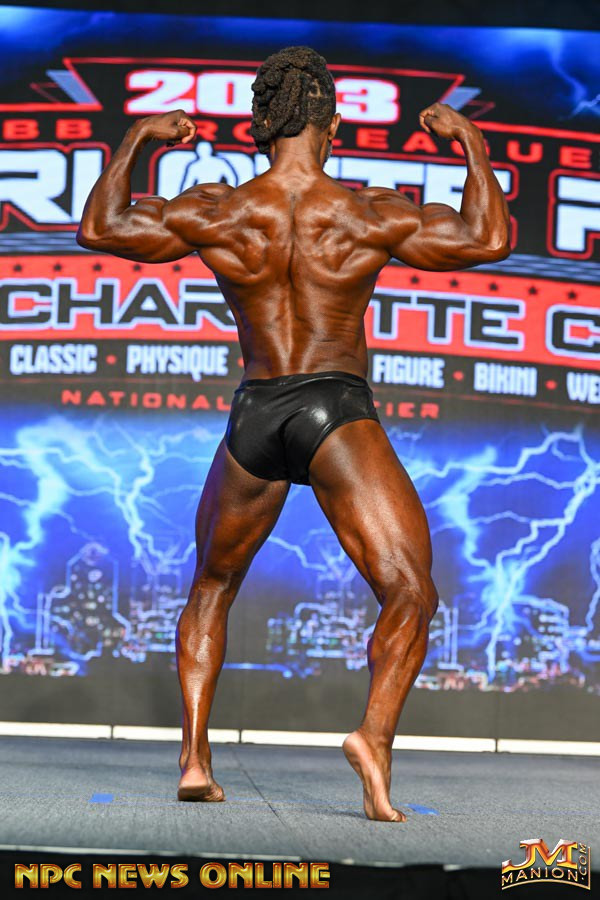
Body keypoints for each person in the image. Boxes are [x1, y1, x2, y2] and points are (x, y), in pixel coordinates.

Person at [77, 45, 510, 822]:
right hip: (333, 408)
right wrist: (472, 145)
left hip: (255, 413)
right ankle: (373, 740)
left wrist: (139, 138)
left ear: (260, 126)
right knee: (410, 590)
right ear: (332, 126)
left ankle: (195, 759)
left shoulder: (220, 209)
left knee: (212, 585)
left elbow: (100, 227)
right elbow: (488, 240)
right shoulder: (367, 211)